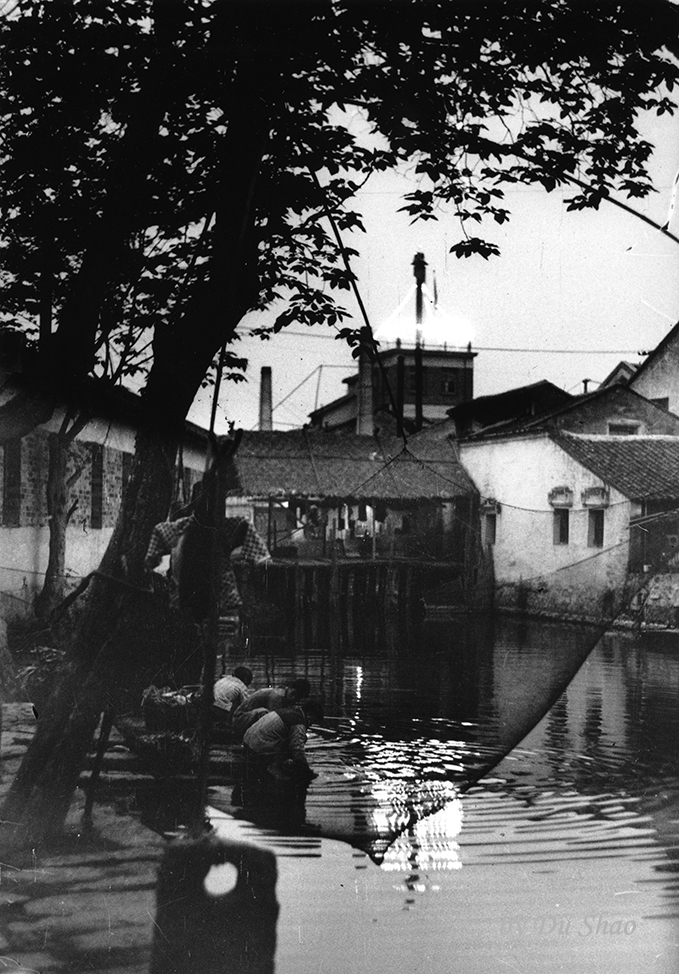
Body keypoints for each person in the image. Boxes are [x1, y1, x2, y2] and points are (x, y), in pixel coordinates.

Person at [242, 697, 323, 780]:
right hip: (257, 748)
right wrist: (307, 771)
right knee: (299, 740)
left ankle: (277, 762)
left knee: (298, 738)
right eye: (312, 721)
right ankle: (274, 766)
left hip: (248, 742)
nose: (310, 725)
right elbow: (297, 748)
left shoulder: (290, 711)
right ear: (309, 714)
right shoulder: (298, 721)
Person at [231, 678, 310, 741]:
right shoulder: (277, 697)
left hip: (248, 720)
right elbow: (272, 719)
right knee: (264, 713)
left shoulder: (286, 697)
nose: (293, 698)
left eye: (297, 697)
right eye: (293, 694)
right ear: (289, 688)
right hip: (240, 719)